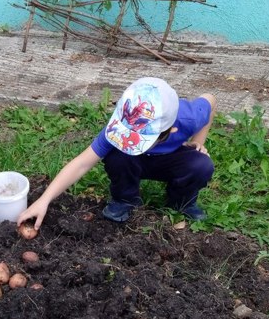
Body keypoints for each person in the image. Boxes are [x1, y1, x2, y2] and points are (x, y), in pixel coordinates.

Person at [17, 77, 216, 229]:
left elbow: (210, 100)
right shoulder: (121, 126)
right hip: (133, 162)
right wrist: (43, 200)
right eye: (129, 135)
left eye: (139, 139)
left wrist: (197, 142)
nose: (130, 140)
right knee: (117, 155)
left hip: (170, 160)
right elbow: (81, 163)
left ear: (170, 130)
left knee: (201, 165)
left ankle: (181, 201)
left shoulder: (189, 117)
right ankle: (125, 199)